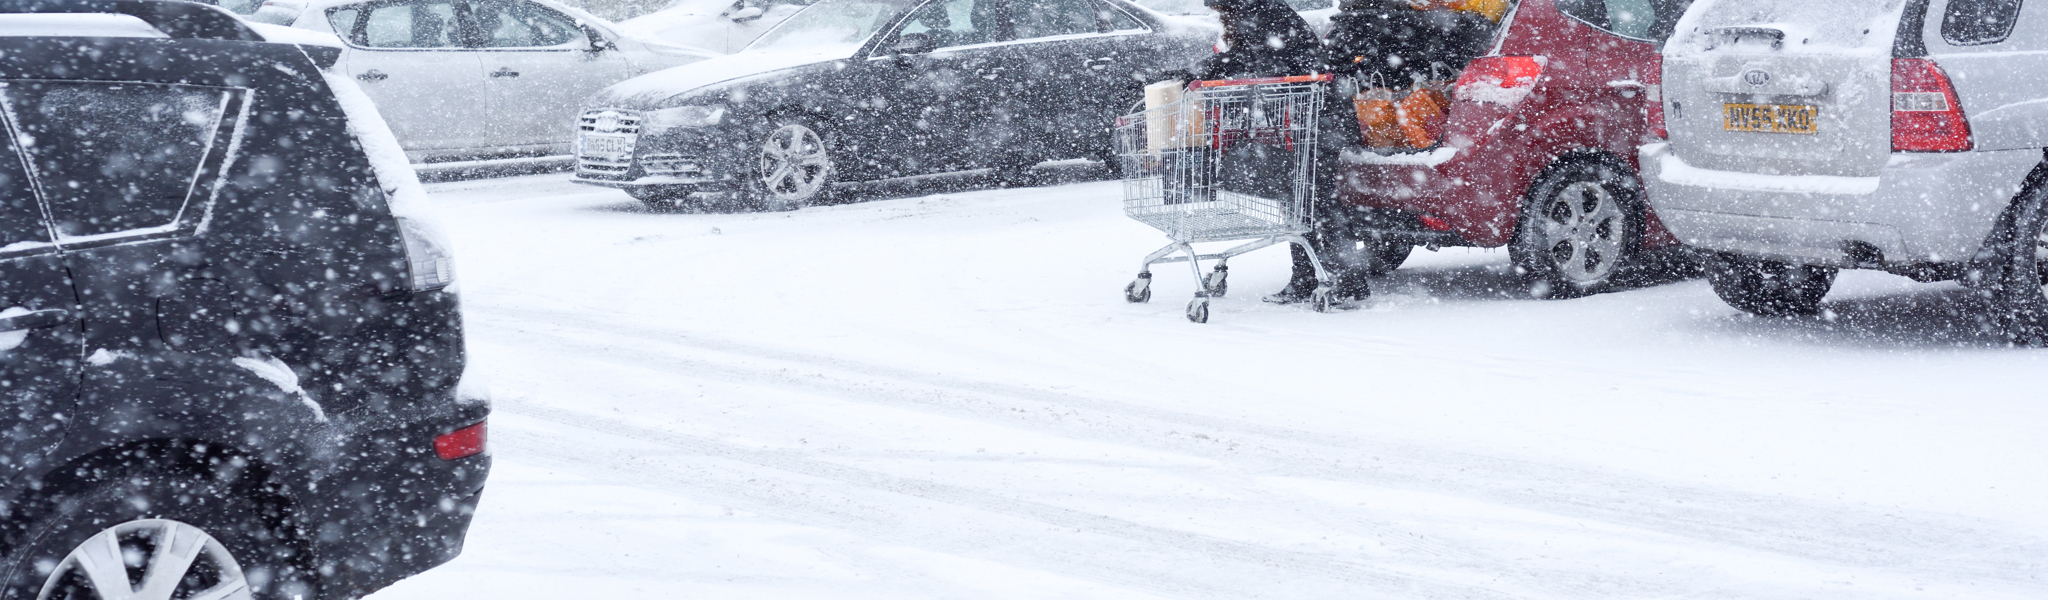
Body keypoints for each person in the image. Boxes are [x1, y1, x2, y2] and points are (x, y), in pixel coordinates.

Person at [1165, 0, 1376, 306]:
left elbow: (1254, 58)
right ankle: (1311, 278)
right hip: (1309, 112)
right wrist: (1200, 72)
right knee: (1301, 198)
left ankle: (1343, 280)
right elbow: (1251, 58)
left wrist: (1201, 73)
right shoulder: (1257, 10)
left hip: (1318, 114)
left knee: (1314, 199)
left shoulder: (1260, 11)